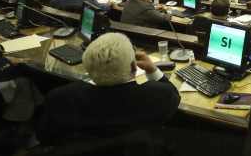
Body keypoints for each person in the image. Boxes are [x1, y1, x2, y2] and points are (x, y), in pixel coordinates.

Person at [36, 33, 180, 146]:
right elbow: (173, 94)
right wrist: (152, 69)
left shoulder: (60, 98)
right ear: (133, 67)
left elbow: (45, 137)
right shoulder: (157, 95)